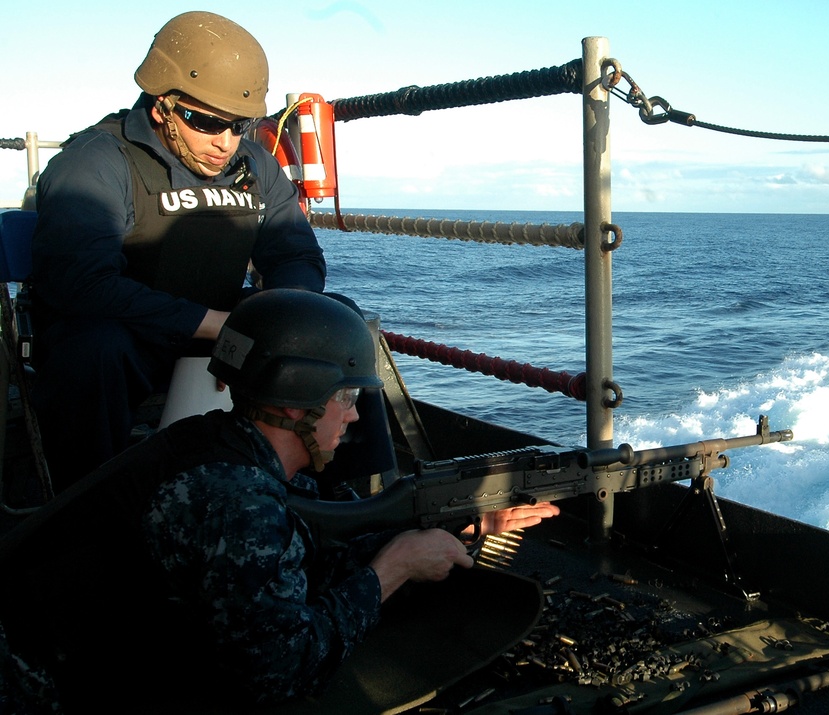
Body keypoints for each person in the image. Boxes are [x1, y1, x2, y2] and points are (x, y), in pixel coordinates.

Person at [0, 289, 560, 711]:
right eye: (344, 396)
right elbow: (283, 671)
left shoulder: (213, 442)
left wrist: (468, 522)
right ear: (297, 404)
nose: (354, 414)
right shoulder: (233, 502)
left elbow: (307, 543)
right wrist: (392, 570)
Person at [27, 11, 327, 491]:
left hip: (223, 336)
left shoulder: (256, 164)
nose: (225, 143)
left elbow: (297, 255)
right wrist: (223, 328)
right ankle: (88, 514)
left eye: (240, 125)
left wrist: (277, 326)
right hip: (129, 337)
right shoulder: (95, 163)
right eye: (206, 121)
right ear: (162, 104)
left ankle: (345, 500)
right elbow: (80, 284)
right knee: (93, 351)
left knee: (337, 327)